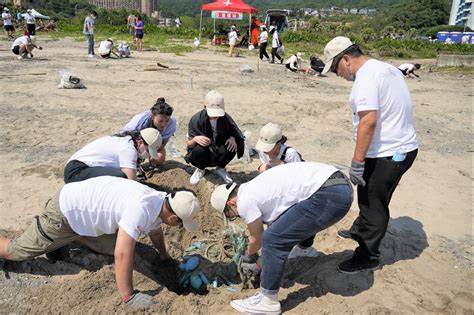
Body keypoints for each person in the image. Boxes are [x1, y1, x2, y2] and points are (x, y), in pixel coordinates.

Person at [0, 175, 200, 311]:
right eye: (182, 223)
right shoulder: (140, 210)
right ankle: (64, 237)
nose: (180, 226)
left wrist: (165, 257)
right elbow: (123, 254)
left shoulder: (158, 200)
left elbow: (156, 233)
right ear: (173, 218)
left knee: (112, 245)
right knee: (16, 251)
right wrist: (128, 296)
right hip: (64, 214)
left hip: (81, 212)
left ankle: (75, 237)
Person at [322, 36, 418, 273]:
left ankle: (367, 255)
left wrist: (357, 160)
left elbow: (368, 121)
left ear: (346, 59)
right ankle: (359, 230)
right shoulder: (385, 68)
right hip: (402, 147)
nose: (338, 75)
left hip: (388, 152)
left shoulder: (365, 77)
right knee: (368, 193)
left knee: (373, 202)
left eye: (336, 69)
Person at [210, 162, 353, 314]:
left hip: (329, 196)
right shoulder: (254, 188)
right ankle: (304, 250)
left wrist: (248, 255)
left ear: (231, 203)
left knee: (271, 240)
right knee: (283, 229)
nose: (234, 217)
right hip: (340, 185)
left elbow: (258, 239)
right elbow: (280, 227)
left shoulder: (244, 201)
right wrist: (260, 263)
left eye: (229, 215)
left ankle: (268, 301)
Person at [185, 90, 245, 185]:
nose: (216, 116)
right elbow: (188, 143)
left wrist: (232, 138)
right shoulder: (196, 120)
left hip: (219, 148)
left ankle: (221, 168)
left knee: (232, 146)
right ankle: (200, 169)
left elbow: (236, 133)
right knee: (199, 150)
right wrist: (195, 139)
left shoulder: (226, 119)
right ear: (205, 107)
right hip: (205, 151)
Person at [63, 128, 162, 183]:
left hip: (78, 168)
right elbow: (131, 182)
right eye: (148, 150)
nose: (148, 155)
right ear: (140, 142)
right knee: (122, 177)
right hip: (76, 172)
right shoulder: (128, 149)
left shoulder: (125, 140)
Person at [121, 98, 177, 167]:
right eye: (160, 121)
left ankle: (153, 165)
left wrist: (148, 153)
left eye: (167, 121)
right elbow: (124, 140)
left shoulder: (172, 123)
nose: (164, 124)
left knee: (159, 158)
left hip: (152, 145)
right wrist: (139, 153)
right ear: (152, 116)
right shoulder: (139, 121)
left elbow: (162, 145)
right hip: (134, 144)